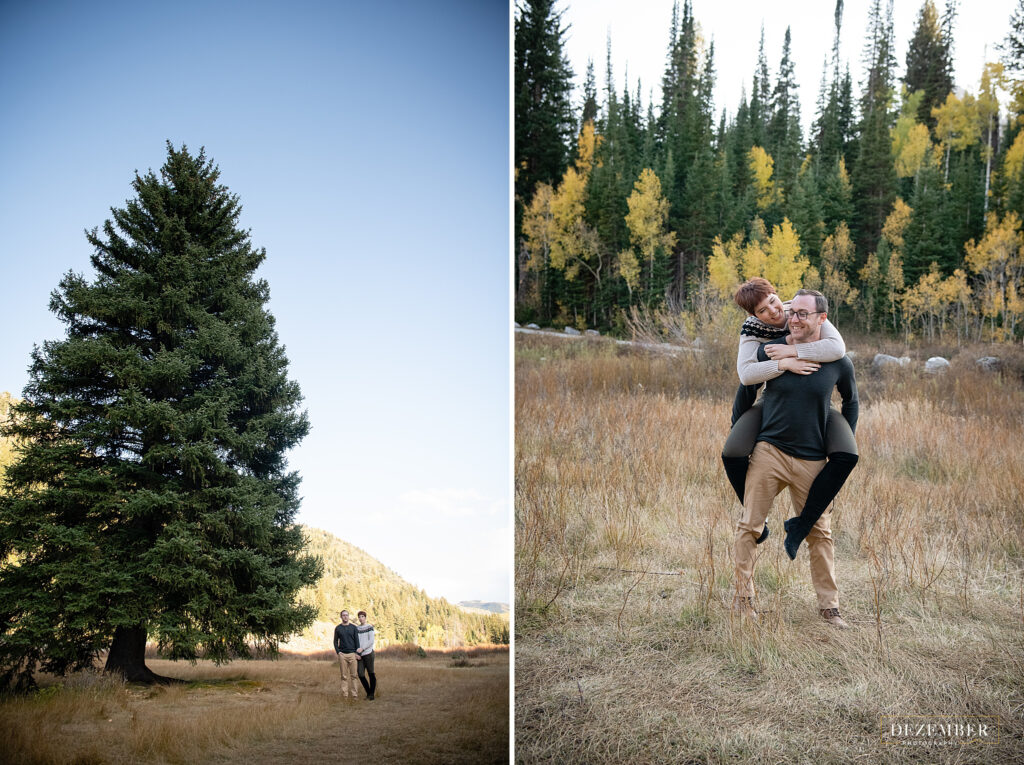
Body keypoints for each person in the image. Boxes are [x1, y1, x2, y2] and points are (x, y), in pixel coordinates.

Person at [732, 290, 858, 628]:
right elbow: (745, 390)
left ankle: (829, 608)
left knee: (820, 533)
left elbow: (851, 401)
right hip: (768, 452)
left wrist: (843, 440)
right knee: (749, 526)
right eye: (794, 313)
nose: (794, 318)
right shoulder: (767, 351)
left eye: (804, 314)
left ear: (821, 319)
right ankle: (743, 601)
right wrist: (738, 436)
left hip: (813, 460)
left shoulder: (837, 360)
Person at [333, 610, 359, 699]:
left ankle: (355, 695)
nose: (345, 617)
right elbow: (335, 641)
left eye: (347, 615)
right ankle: (345, 695)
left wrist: (357, 653)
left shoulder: (354, 628)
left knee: (354, 676)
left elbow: (357, 641)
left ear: (349, 616)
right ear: (341, 617)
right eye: (343, 615)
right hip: (342, 655)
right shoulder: (338, 628)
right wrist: (338, 652)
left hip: (352, 654)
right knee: (344, 676)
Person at [355, 609, 376, 700]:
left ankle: (371, 694)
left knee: (371, 673)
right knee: (360, 674)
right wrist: (357, 652)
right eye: (359, 617)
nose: (361, 618)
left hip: (368, 653)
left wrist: (363, 648)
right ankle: (368, 692)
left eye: (362, 616)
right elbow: (355, 641)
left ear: (365, 617)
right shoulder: (357, 628)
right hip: (360, 655)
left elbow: (371, 641)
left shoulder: (369, 627)